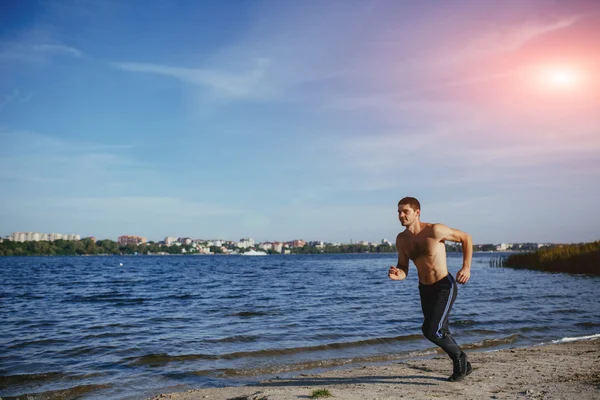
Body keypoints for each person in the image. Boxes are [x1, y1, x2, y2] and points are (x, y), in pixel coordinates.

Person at [388, 196, 473, 382]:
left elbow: (466, 238)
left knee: (431, 330)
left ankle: (460, 358)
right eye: (399, 212)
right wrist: (397, 274)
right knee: (441, 330)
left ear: (417, 213)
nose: (401, 215)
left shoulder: (435, 230)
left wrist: (466, 267)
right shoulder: (401, 240)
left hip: (444, 285)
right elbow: (403, 268)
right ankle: (463, 367)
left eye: (405, 212)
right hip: (424, 288)